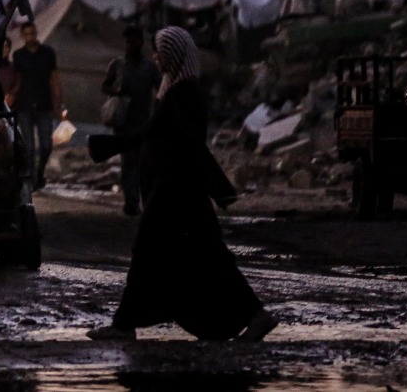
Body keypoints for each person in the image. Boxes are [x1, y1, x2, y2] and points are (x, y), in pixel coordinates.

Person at [87, 27, 277, 342]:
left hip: (175, 189)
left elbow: (189, 142)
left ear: (173, 55)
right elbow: (158, 135)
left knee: (150, 250)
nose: (155, 57)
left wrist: (216, 185)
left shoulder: (183, 93)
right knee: (207, 254)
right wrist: (113, 145)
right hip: (176, 188)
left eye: (160, 51)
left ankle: (124, 325)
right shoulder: (174, 90)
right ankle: (256, 315)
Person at [101, 26, 161, 215]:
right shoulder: (117, 65)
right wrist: (116, 92)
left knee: (145, 164)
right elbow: (104, 86)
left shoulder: (150, 67)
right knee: (128, 164)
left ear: (141, 42)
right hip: (123, 123)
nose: (129, 45)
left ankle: (146, 201)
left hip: (144, 122)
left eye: (132, 41)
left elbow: (160, 89)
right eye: (126, 42)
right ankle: (132, 203)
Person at [8, 20, 65, 189]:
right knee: (30, 147)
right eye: (26, 34)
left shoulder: (47, 53)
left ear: (36, 33)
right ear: (22, 36)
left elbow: (54, 78)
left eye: (32, 33)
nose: (30, 37)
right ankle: (33, 178)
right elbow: (17, 81)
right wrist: (11, 99)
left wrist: (59, 101)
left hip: (44, 104)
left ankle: (40, 171)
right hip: (24, 105)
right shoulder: (18, 56)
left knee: (46, 145)